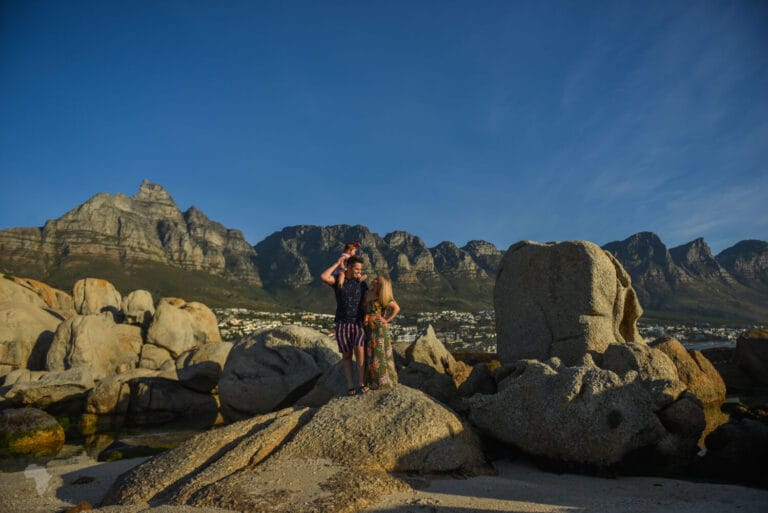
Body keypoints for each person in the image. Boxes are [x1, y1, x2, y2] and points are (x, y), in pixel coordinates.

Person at [320, 255, 369, 395]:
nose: (359, 271)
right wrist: (337, 263)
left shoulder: (362, 283)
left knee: (360, 352)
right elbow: (324, 276)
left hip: (358, 322)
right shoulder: (338, 281)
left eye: (361, 269)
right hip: (342, 322)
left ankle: (361, 382)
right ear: (348, 267)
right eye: (357, 268)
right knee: (347, 355)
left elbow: (369, 298)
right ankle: (350, 385)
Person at [364, 275, 400, 390]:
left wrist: (386, 319)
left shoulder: (383, 296)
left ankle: (381, 382)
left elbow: (396, 308)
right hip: (367, 327)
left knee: (378, 354)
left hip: (379, 329)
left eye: (376, 280)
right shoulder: (367, 292)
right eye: (375, 278)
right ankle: (370, 381)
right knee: (369, 353)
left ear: (379, 284)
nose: (373, 280)